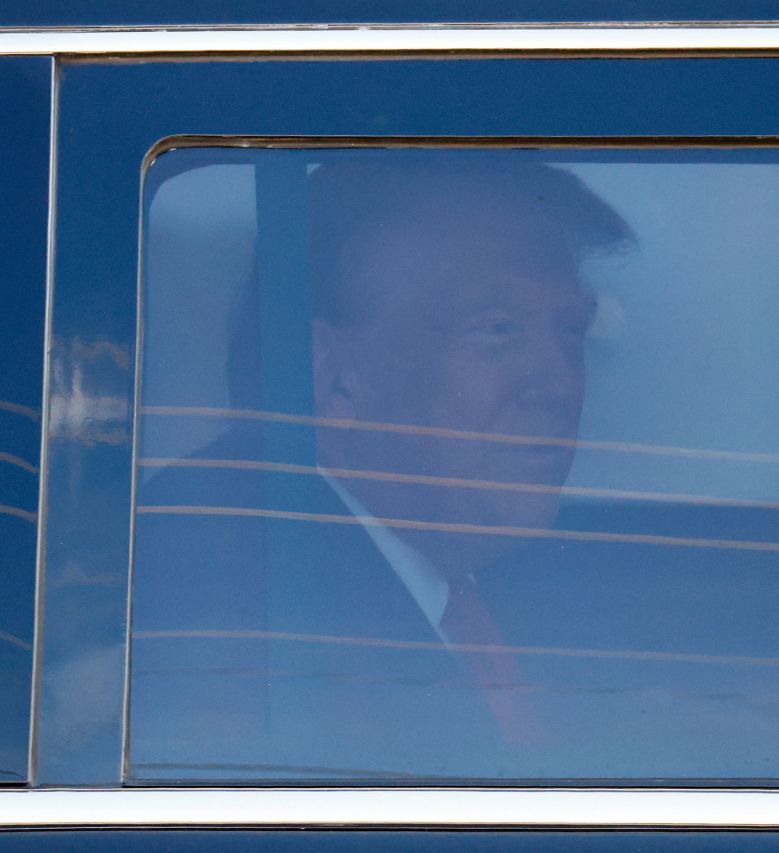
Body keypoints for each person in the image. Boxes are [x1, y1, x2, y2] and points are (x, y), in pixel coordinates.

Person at [128, 153, 632, 779]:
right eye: (497, 330)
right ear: (335, 378)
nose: (558, 383)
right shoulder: (215, 584)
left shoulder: (485, 570)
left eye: (569, 334)